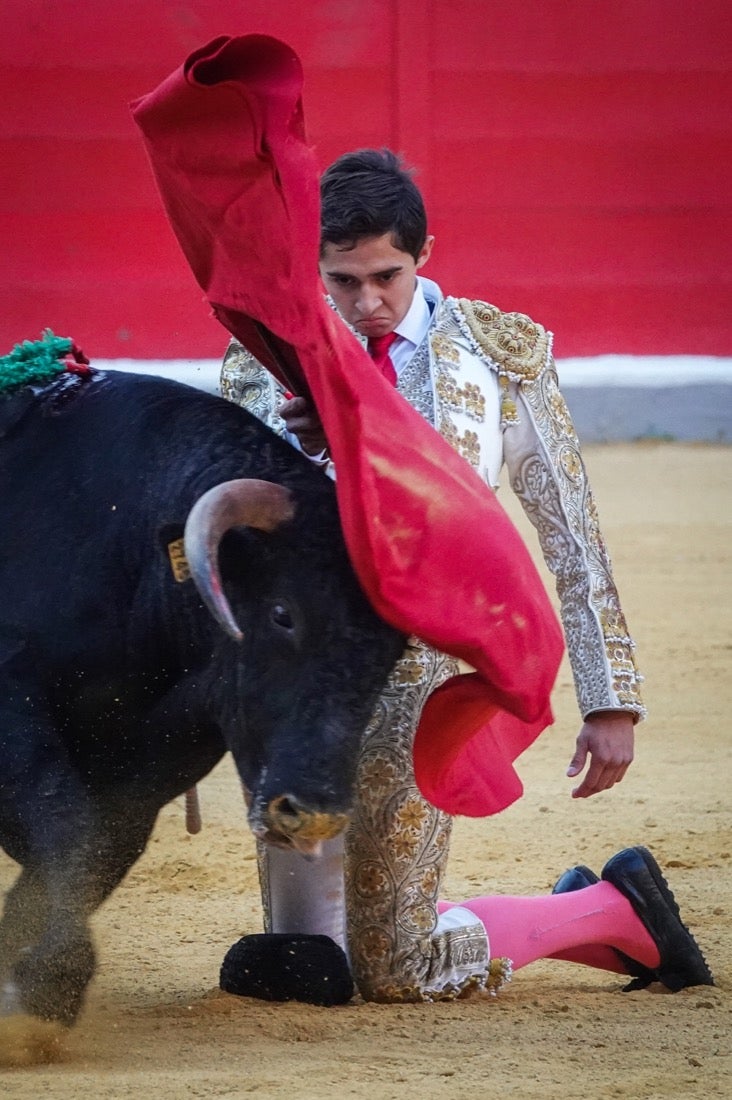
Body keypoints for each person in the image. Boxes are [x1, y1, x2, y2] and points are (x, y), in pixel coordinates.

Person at [218, 149, 709, 1002]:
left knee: (391, 970)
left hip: (425, 667)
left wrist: (610, 698)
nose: (366, 302)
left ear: (425, 253)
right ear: (314, 268)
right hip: (293, 679)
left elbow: (572, 533)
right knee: (312, 955)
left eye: (386, 277)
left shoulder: (497, 355)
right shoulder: (263, 363)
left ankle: (607, 909)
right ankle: (483, 914)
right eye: (342, 281)